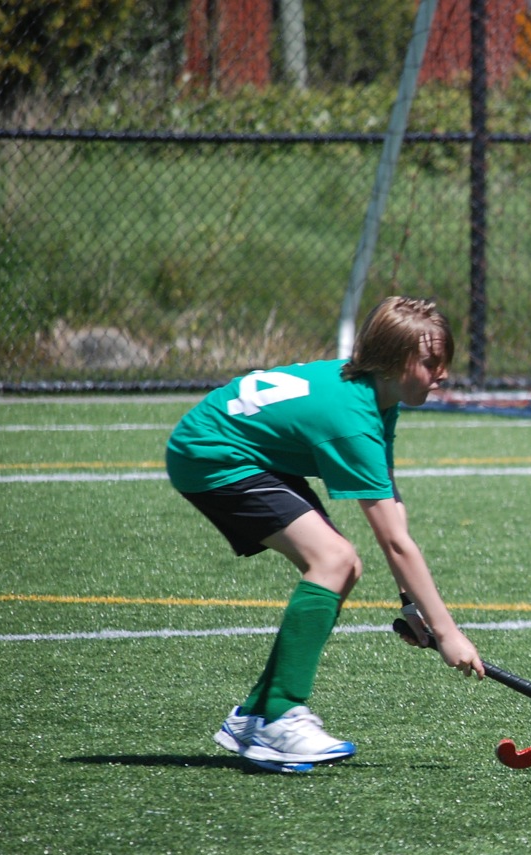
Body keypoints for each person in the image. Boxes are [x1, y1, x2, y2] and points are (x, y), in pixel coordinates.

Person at [166, 296, 485, 774]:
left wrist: (410, 602)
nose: (443, 373)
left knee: (344, 563)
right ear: (397, 363)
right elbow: (394, 543)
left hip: (249, 453)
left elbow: (390, 504)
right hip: (211, 456)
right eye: (431, 363)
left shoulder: (377, 394)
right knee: (334, 560)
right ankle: (279, 715)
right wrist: (448, 632)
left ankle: (255, 715)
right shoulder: (352, 418)